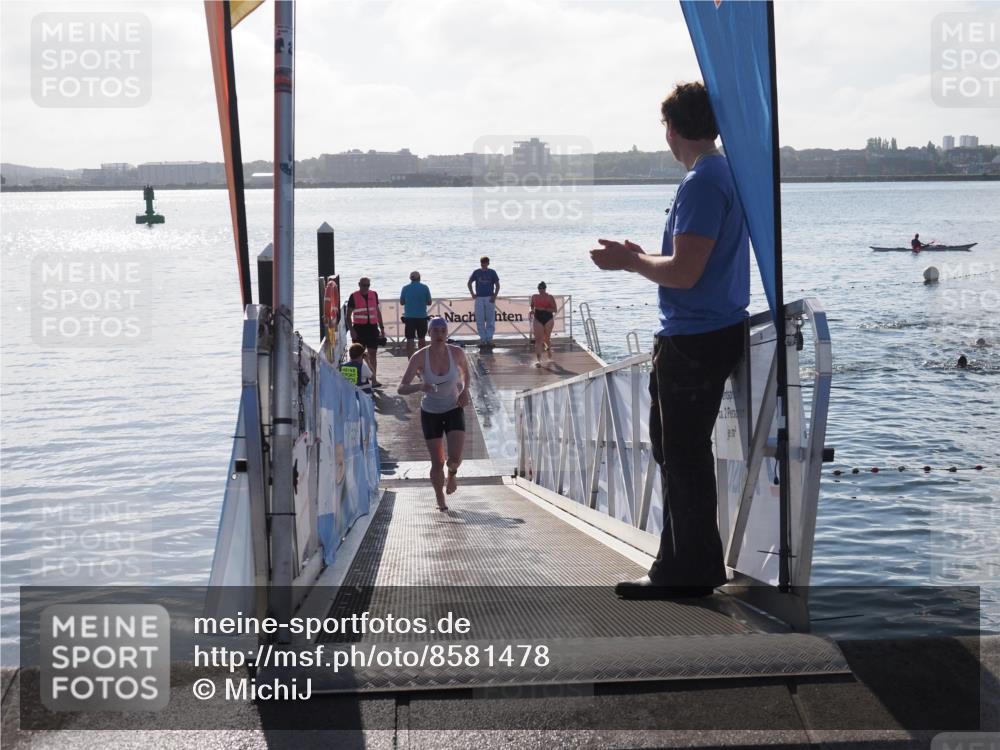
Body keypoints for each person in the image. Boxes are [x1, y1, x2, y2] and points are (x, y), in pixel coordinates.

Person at [590, 81, 750, 599]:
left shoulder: (703, 181)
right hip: (711, 329)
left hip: (694, 337)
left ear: (673, 128)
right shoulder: (723, 174)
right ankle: (684, 562)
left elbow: (684, 273)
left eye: (664, 125)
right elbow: (691, 264)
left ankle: (688, 569)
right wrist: (642, 256)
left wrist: (630, 262)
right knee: (678, 451)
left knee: (681, 454)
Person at [397, 317, 472, 511]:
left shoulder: (456, 352)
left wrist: (464, 391)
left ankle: (452, 475)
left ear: (447, 334)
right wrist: (421, 385)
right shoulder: (419, 357)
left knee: (455, 458)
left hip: (454, 407)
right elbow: (401, 388)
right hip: (431, 412)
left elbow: (466, 373)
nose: (439, 334)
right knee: (437, 462)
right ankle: (440, 498)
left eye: (443, 330)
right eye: (435, 331)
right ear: (429, 334)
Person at [347, 277, 386, 387]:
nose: (366, 288)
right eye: (364, 285)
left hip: (372, 328)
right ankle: (355, 380)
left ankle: (373, 380)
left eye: (368, 285)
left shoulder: (374, 294)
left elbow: (377, 312)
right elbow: (347, 316)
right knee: (356, 355)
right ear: (359, 284)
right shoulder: (353, 296)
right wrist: (352, 330)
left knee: (373, 354)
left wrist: (382, 328)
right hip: (359, 329)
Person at [467, 256, 500, 348]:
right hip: (479, 298)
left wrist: (494, 296)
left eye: (485, 262)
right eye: (482, 262)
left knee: (490, 319)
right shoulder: (476, 272)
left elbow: (497, 285)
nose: (483, 264)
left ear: (488, 263)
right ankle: (482, 339)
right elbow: (469, 283)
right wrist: (472, 294)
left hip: (490, 297)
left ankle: (489, 339)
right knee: (479, 319)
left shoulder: (492, 272)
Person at [400, 270, 433, 357]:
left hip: (409, 317)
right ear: (420, 278)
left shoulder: (405, 288)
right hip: (421, 317)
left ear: (410, 279)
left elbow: (402, 302)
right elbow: (429, 302)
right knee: (422, 339)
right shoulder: (425, 287)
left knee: (410, 339)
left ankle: (410, 359)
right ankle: (422, 359)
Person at [529, 281, 557, 367]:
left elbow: (554, 309)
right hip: (538, 318)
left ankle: (549, 353)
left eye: (542, 288)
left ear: (545, 289)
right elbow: (531, 306)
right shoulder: (534, 296)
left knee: (547, 338)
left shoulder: (550, 297)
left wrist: (544, 309)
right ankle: (538, 360)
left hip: (548, 318)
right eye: (539, 288)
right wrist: (532, 310)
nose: (541, 290)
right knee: (538, 340)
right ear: (538, 289)